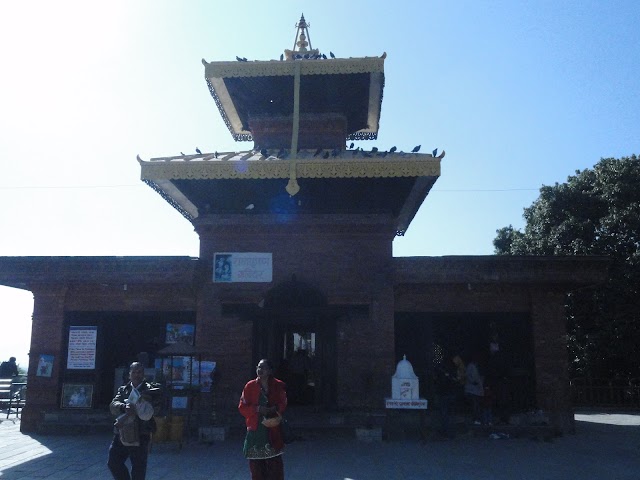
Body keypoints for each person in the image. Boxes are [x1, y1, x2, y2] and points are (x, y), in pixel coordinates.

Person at [107, 362, 158, 480]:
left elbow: (155, 408)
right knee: (113, 462)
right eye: (134, 372)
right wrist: (123, 406)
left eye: (139, 372)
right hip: (122, 432)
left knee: (138, 469)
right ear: (129, 374)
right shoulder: (123, 389)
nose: (136, 375)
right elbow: (113, 405)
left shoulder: (150, 390)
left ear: (143, 374)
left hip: (141, 433)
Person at [239, 358, 287, 480]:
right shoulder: (250, 386)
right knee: (256, 467)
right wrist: (257, 409)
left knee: (274, 466)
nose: (260, 370)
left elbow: (283, 402)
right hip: (255, 429)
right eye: (258, 367)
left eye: (263, 368)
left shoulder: (278, 385)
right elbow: (242, 407)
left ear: (270, 371)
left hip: (272, 428)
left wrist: (274, 408)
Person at [432, 354, 465, 439]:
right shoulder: (452, 370)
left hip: (444, 394)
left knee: (444, 414)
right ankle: (450, 432)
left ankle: (446, 431)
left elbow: (440, 382)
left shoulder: (442, 371)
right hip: (451, 394)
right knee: (450, 414)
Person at [464, 355, 484, 425]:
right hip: (472, 389)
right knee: (475, 406)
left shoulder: (475, 367)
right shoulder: (471, 366)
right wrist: (474, 382)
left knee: (476, 405)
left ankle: (477, 419)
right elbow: (469, 377)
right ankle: (475, 419)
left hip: (476, 390)